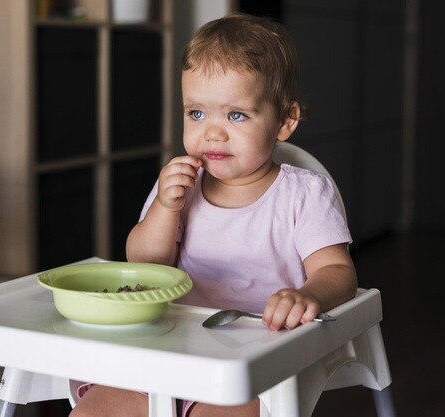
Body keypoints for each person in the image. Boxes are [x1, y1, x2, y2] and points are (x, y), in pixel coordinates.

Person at [70, 12, 357, 417]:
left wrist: (308, 294)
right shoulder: (179, 185)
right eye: (196, 113)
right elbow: (144, 263)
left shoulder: (304, 193)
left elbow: (338, 271)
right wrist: (165, 207)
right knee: (94, 411)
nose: (212, 132)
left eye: (236, 115)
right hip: (168, 345)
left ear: (285, 120)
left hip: (258, 359)